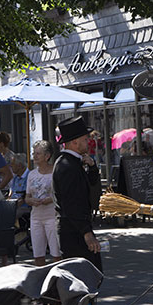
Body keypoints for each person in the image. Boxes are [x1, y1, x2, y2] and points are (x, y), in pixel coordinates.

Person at [53, 116, 103, 272]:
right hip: (73, 230)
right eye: (85, 139)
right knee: (82, 278)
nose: (88, 142)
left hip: (76, 227)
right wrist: (86, 233)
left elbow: (91, 185)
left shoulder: (73, 162)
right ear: (74, 142)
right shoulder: (67, 165)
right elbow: (72, 203)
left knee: (90, 274)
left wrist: (93, 167)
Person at [25, 140, 60, 266]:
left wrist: (50, 199)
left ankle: (58, 279)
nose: (34, 156)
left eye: (38, 154)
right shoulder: (31, 174)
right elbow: (27, 197)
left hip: (52, 216)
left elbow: (61, 194)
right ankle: (40, 280)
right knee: (38, 254)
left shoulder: (55, 172)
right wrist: (31, 201)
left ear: (47, 156)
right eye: (34, 153)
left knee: (56, 253)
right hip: (36, 217)